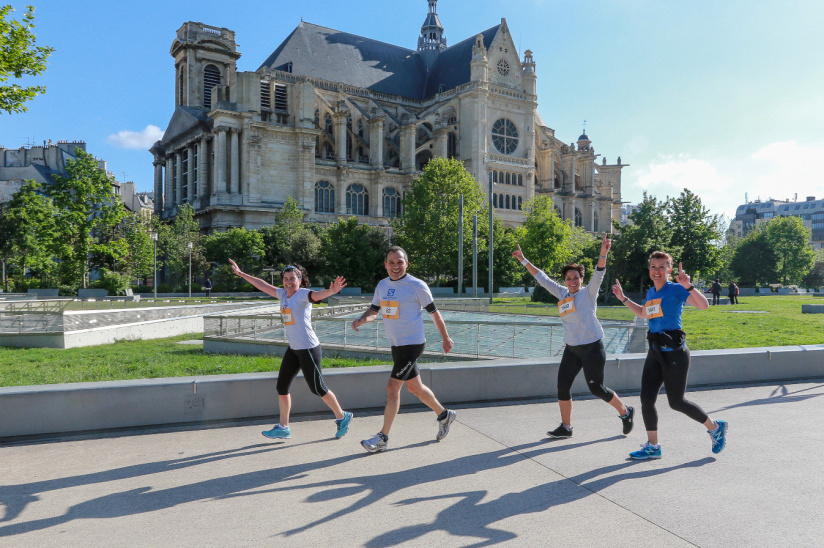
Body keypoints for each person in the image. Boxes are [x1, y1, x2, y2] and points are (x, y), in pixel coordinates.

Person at [513, 234, 634, 440]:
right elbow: (541, 278)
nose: (572, 281)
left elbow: (599, 273)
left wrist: (603, 253)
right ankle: (566, 427)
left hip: (592, 348)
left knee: (596, 388)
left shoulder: (588, 293)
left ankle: (626, 412)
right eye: (569, 278)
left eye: (576, 278)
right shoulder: (561, 293)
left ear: (581, 279)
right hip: (572, 350)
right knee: (562, 387)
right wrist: (523, 260)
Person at [612, 253, 728, 460]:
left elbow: (704, 305)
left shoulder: (676, 289)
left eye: (662, 267)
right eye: (653, 266)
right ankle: (653, 446)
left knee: (677, 402)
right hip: (655, 352)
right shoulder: (650, 291)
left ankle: (715, 426)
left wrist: (688, 286)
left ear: (669, 270)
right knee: (646, 399)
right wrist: (623, 298)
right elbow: (644, 314)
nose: (656, 271)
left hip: (675, 354)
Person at [229, 259, 353, 440]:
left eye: (292, 279)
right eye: (285, 278)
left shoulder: (302, 294)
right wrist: (241, 274)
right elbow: (262, 285)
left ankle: (343, 416)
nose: (288, 282)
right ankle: (283, 427)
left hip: (308, 349)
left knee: (318, 388)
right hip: (294, 349)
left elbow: (317, 295)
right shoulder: (283, 295)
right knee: (282, 387)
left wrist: (331, 291)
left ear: (300, 279)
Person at [351, 246, 456, 453]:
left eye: (400, 262)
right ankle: (445, 415)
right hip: (397, 345)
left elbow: (434, 313)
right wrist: (362, 319)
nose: (396, 266)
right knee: (415, 388)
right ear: (385, 265)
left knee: (392, 389)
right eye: (391, 262)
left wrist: (445, 337)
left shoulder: (417, 285)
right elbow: (374, 310)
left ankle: (382, 438)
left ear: (406, 263)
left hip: (413, 343)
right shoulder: (382, 285)